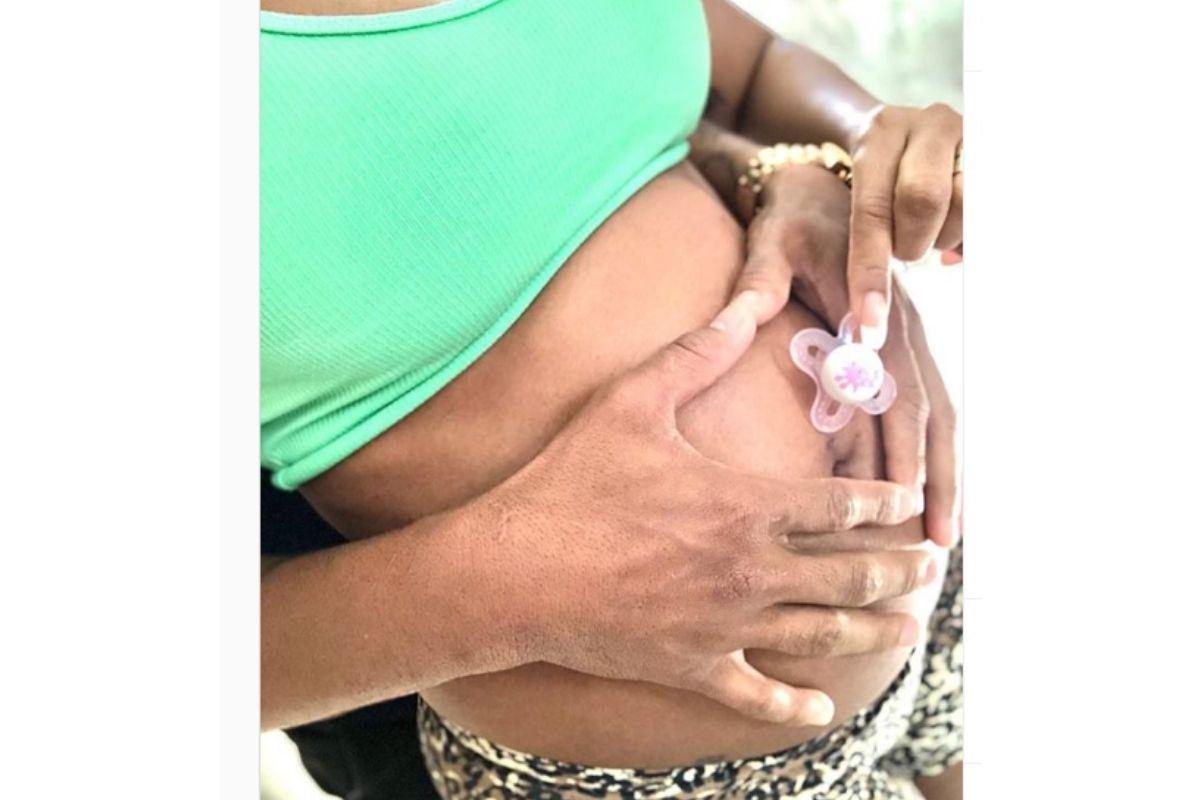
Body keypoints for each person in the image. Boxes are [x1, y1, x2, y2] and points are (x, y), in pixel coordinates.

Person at [260, 1, 964, 797]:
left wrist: (853, 144)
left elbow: (751, 68)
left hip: (926, 555)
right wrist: (517, 579)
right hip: (657, 756)